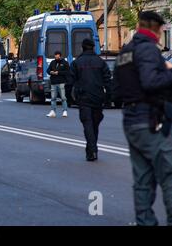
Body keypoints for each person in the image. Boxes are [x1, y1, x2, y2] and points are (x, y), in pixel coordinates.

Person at [113, 11, 172, 226]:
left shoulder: (124, 53)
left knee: (143, 179)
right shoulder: (147, 49)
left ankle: (145, 222)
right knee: (169, 175)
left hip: (130, 121)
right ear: (155, 28)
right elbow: (150, 81)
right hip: (150, 121)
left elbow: (116, 92)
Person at [70, 39, 111, 162]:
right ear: (93, 48)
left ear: (82, 48)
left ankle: (92, 150)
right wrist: (108, 98)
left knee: (87, 123)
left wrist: (69, 99)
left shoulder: (77, 62)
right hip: (98, 97)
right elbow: (108, 81)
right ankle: (92, 149)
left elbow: (69, 81)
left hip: (83, 97)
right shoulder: (100, 62)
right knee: (94, 124)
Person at [46, 51, 70, 118]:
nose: (56, 56)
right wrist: (50, 72)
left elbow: (68, 72)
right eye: (55, 55)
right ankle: (53, 111)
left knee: (63, 97)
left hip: (61, 82)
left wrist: (58, 72)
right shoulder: (52, 62)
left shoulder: (65, 63)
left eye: (57, 55)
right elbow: (47, 70)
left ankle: (65, 111)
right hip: (53, 82)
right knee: (53, 98)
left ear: (60, 56)